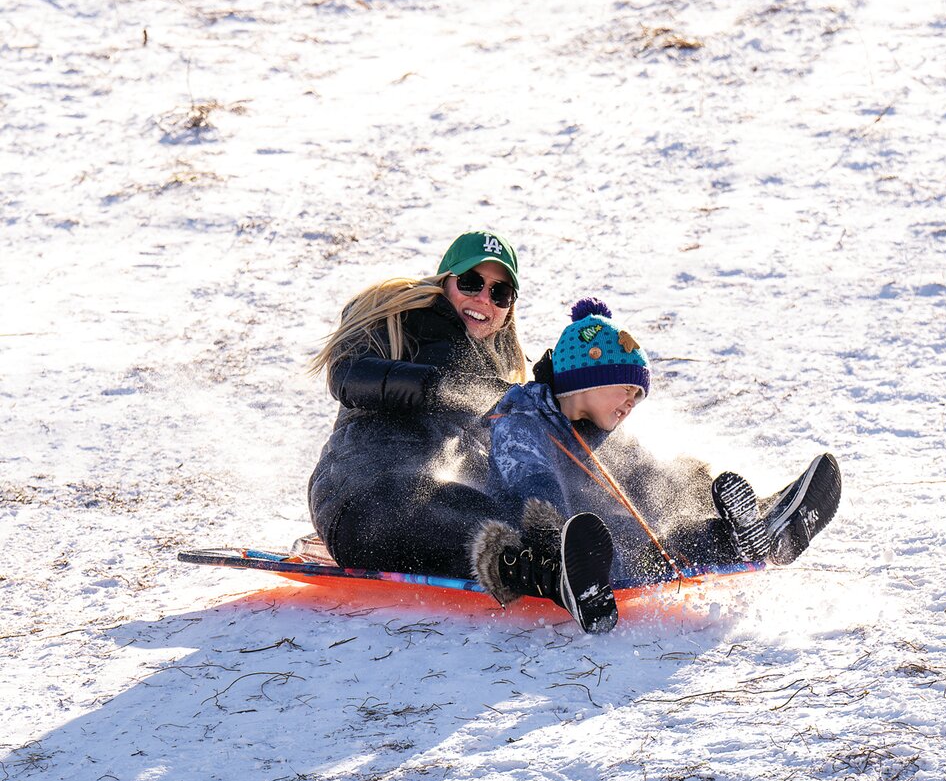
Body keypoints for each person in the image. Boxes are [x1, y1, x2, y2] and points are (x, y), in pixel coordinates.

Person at [482, 298, 842, 633]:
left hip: (619, 547)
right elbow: (532, 487)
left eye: (638, 396)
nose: (631, 402)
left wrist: (690, 486)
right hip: (556, 545)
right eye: (625, 387)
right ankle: (583, 583)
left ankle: (761, 530)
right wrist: (558, 536)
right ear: (585, 379)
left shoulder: (603, 435)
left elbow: (654, 480)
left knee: (670, 494)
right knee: (626, 539)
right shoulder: (522, 420)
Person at [306, 230, 578, 615]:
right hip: (362, 492)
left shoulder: (487, 374)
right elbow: (347, 375)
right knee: (435, 508)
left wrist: (553, 399)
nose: (484, 298)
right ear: (444, 280)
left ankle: (583, 552)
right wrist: (440, 386)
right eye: (471, 282)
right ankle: (542, 572)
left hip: (434, 498)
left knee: (511, 511)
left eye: (500, 294)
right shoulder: (403, 317)